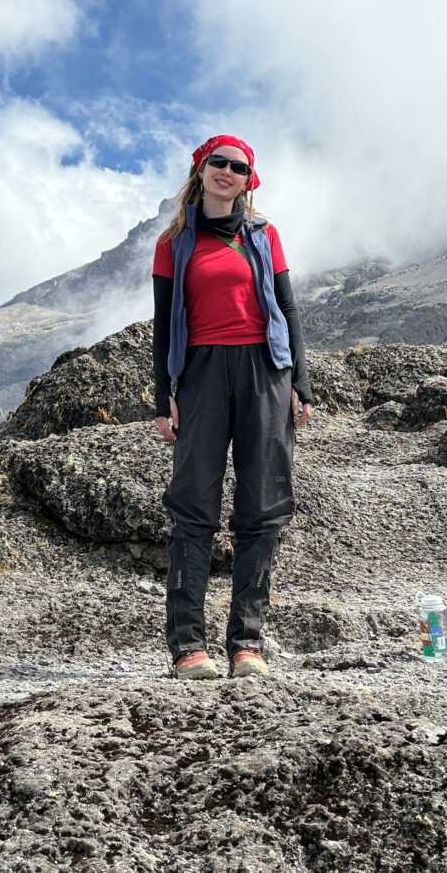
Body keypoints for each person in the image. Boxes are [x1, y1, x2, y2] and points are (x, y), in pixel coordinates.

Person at [152, 134, 313, 680]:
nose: (227, 172)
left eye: (238, 167)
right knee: (194, 503)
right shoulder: (174, 242)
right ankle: (187, 647)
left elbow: (288, 309)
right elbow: (162, 324)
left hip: (265, 370)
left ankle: (246, 644)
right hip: (200, 373)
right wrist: (162, 395)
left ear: (249, 180)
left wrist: (300, 384)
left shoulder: (265, 237)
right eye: (217, 163)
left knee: (263, 506)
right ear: (200, 170)